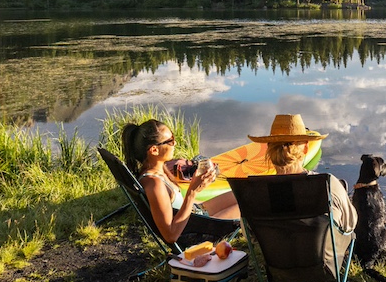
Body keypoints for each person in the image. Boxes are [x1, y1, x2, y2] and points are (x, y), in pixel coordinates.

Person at [248, 114, 357, 273]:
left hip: (278, 268)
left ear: (268, 149)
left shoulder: (256, 191)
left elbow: (250, 234)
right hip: (323, 267)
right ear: (306, 148)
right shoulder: (327, 184)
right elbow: (350, 223)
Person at [121, 119, 239, 245]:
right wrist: (192, 192)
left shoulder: (158, 170)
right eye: (170, 141)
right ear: (154, 150)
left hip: (195, 215)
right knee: (250, 204)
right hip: (197, 231)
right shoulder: (155, 185)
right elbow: (170, 236)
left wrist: (199, 187)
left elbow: (177, 206)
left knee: (242, 194)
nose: (175, 143)